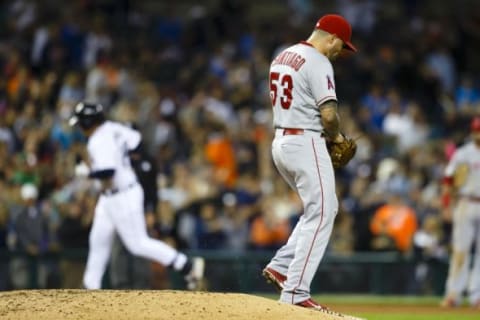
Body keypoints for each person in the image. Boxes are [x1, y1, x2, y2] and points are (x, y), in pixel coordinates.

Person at [262, 14, 357, 311]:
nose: (340, 52)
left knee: (319, 208)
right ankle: (295, 292)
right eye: (341, 46)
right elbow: (328, 115)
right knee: (324, 209)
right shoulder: (318, 61)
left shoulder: (283, 55)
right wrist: (337, 138)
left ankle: (281, 265)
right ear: (330, 37)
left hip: (281, 142)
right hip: (305, 140)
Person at [69, 101, 204, 290]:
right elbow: (137, 141)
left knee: (138, 244)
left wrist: (86, 172)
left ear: (88, 122)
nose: (80, 128)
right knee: (98, 240)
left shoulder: (98, 139)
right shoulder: (114, 128)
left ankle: (187, 266)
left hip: (123, 195)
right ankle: (91, 286)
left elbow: (108, 172)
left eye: (81, 123)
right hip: (110, 197)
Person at [440, 116, 480, 308]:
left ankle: (476, 296)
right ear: (472, 132)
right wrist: (447, 205)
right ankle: (453, 294)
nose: (478, 133)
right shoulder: (463, 153)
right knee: (460, 251)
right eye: (476, 130)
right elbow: (448, 180)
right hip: (465, 203)